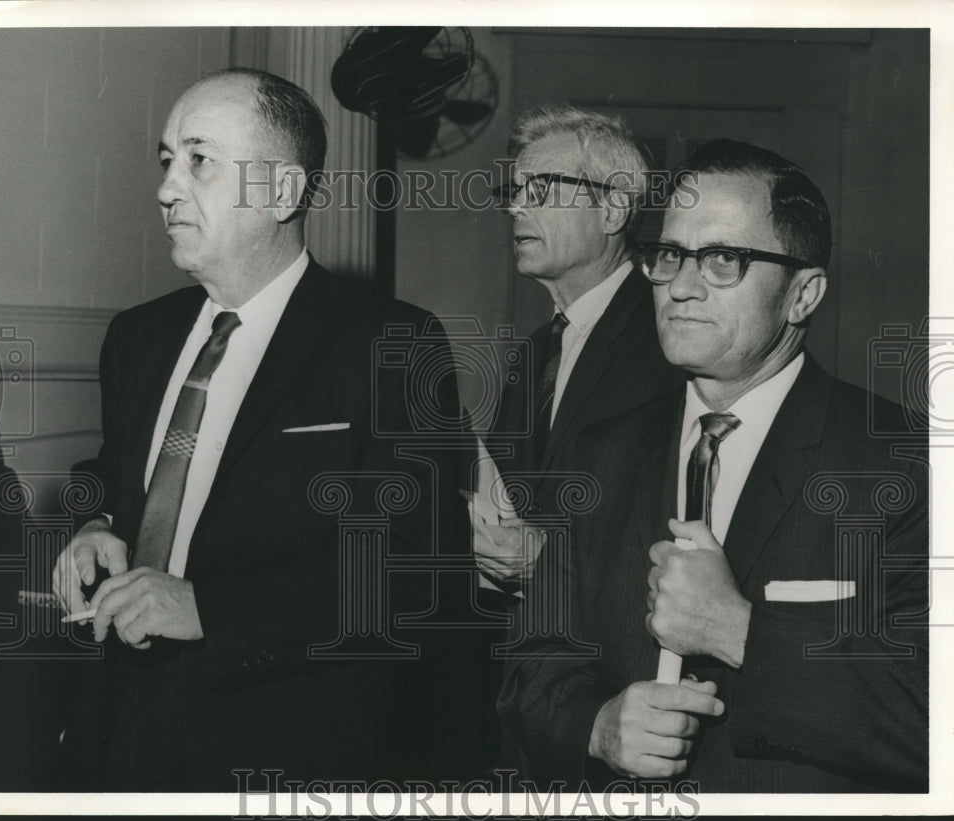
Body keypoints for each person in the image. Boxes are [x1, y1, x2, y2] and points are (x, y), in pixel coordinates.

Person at [51, 68, 473, 790]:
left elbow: (409, 572)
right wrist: (93, 522)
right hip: (122, 727)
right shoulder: (136, 337)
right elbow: (113, 467)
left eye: (199, 159)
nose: (166, 189)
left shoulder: (389, 342)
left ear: (281, 192)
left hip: (282, 746)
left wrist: (206, 608)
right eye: (165, 160)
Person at [498, 140, 928, 792]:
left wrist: (742, 630)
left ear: (803, 294)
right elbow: (531, 668)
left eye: (724, 259)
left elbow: (929, 716)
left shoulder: (902, 459)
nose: (682, 285)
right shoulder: (597, 454)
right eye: (669, 255)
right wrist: (596, 725)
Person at [476, 103, 682, 593]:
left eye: (541, 190)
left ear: (611, 210)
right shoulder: (532, 356)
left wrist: (550, 562)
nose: (516, 208)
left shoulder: (669, 340)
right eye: (516, 192)